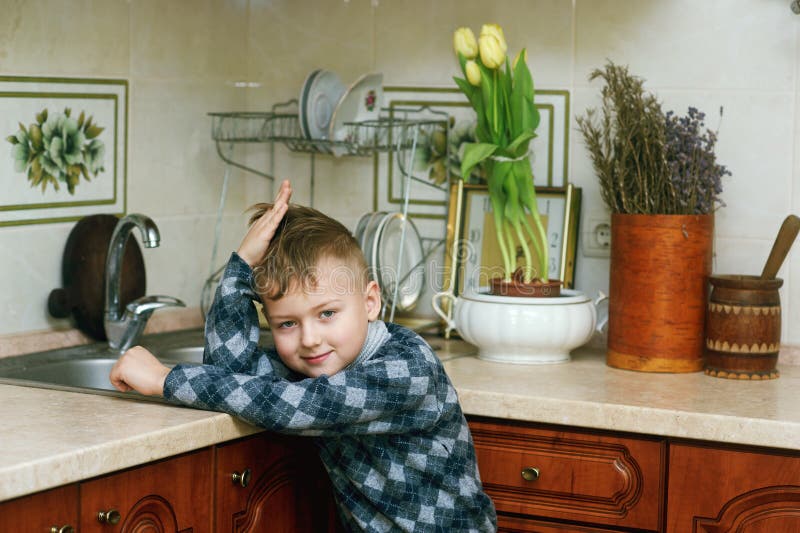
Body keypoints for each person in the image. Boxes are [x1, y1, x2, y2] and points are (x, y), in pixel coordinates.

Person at [109, 180, 497, 532]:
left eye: (327, 313)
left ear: (370, 301)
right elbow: (231, 369)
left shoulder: (408, 369)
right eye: (286, 324)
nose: (310, 340)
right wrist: (241, 266)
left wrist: (165, 379)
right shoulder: (315, 368)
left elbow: (294, 407)